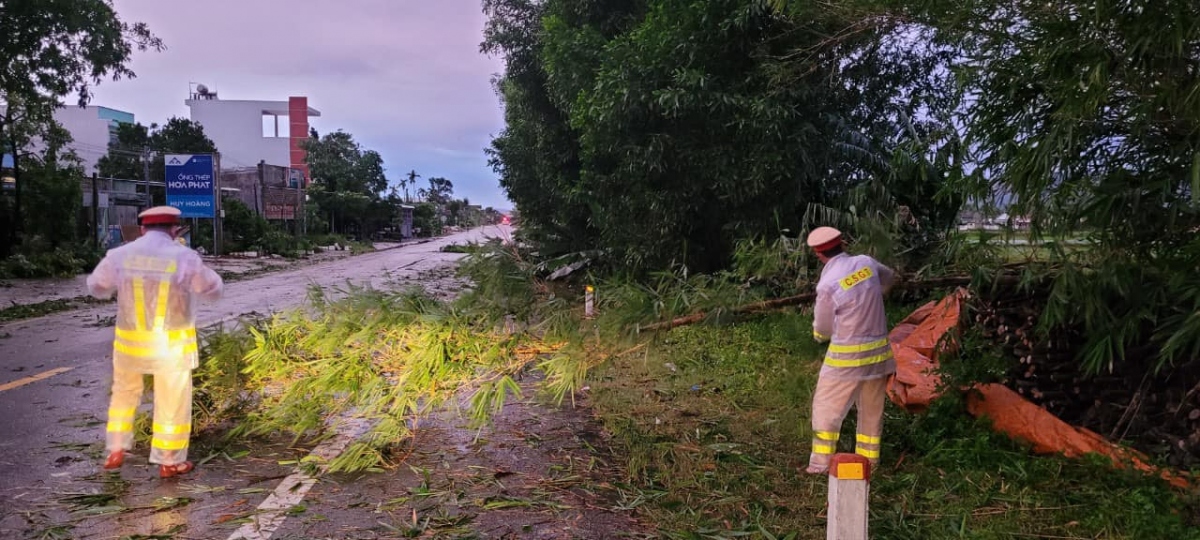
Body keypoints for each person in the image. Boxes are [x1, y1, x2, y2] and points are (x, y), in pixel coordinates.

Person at [87, 206, 223, 478]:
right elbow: (212, 289)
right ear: (174, 230)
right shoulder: (184, 257)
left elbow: (96, 287)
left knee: (124, 393)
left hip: (129, 346)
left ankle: (116, 447)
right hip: (171, 347)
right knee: (171, 399)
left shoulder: (120, 255)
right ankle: (169, 461)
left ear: (142, 229)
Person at [804, 226, 896, 475]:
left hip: (847, 360)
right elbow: (890, 278)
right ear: (842, 243)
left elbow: (823, 327)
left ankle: (820, 465)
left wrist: (819, 336)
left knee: (826, 409)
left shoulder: (827, 284)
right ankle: (869, 463)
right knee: (872, 410)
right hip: (878, 357)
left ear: (818, 254)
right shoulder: (866, 263)